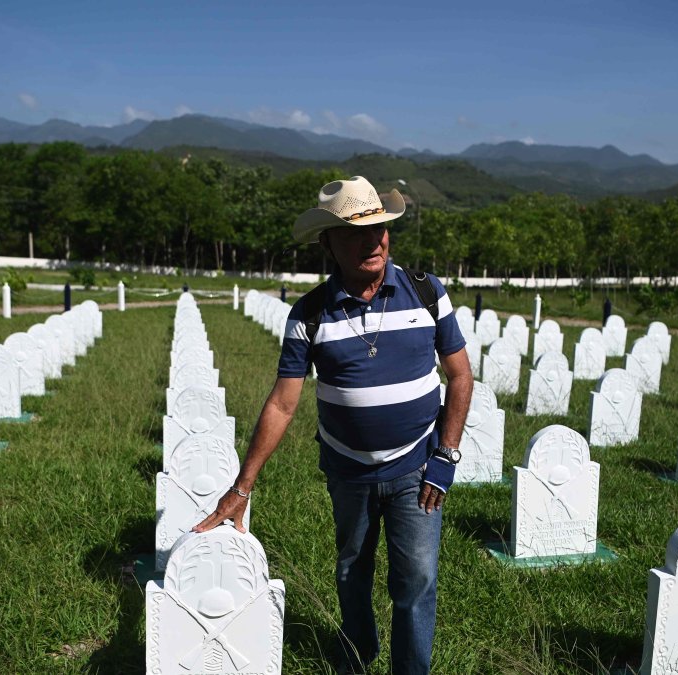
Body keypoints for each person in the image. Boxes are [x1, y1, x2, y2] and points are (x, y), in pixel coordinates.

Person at [194, 176, 473, 674]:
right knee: (352, 570)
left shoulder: (426, 293)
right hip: (348, 471)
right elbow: (283, 403)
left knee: (417, 579)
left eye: (380, 229)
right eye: (355, 233)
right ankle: (358, 654)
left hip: (417, 468)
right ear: (328, 243)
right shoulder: (310, 314)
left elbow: (460, 375)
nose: (374, 242)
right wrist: (243, 486)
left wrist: (446, 456)